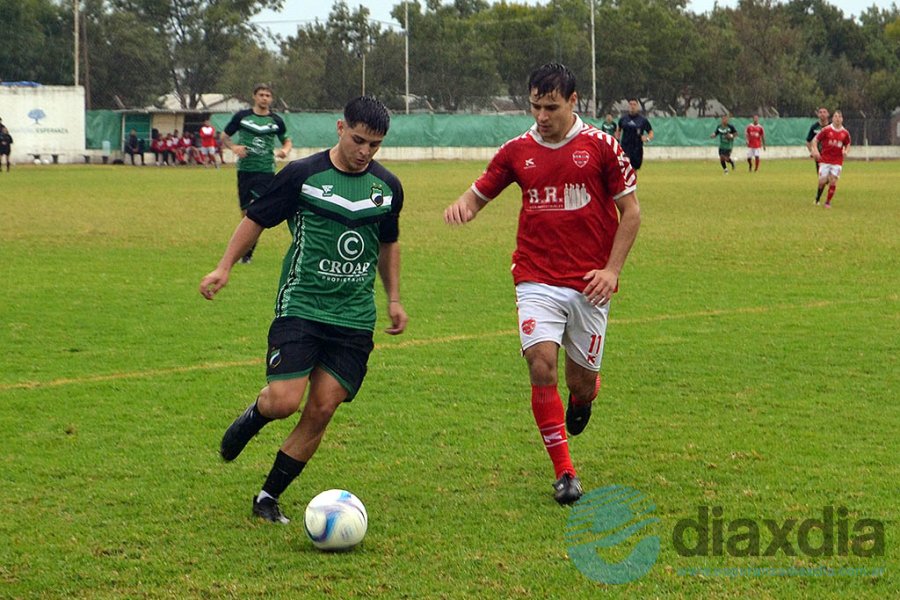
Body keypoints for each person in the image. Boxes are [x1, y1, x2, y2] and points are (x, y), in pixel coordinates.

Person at [199, 96, 407, 524]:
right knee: (284, 401)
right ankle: (256, 413)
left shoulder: (387, 187)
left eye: (375, 145)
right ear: (339, 127)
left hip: (353, 317)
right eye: (358, 139)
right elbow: (255, 219)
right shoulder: (302, 175)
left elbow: (388, 244)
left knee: (323, 407)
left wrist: (393, 299)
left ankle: (267, 496)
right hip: (303, 305)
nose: (365, 151)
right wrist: (224, 267)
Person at [444, 63, 641, 505]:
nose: (541, 116)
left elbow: (631, 213)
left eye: (551, 107)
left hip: (590, 283)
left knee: (580, 383)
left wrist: (612, 271)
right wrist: (465, 205)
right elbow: (480, 193)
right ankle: (565, 472)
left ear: (574, 102)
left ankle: (583, 398)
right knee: (540, 364)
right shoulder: (517, 150)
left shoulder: (602, 147)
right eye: (535, 106)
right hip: (535, 277)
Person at [222, 83, 293, 264]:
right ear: (254, 96)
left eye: (267, 95)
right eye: (261, 94)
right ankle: (246, 251)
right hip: (245, 170)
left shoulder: (276, 120)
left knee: (256, 210)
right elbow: (224, 136)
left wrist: (284, 150)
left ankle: (247, 254)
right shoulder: (242, 117)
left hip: (266, 171)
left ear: (271, 99)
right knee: (246, 213)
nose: (264, 98)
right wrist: (234, 147)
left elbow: (287, 141)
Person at [811, 110, 851, 208]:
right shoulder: (826, 130)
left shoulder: (845, 133)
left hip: (837, 161)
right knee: (822, 181)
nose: (837, 119)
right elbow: (815, 140)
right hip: (825, 159)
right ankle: (817, 198)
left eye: (839, 117)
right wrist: (815, 150)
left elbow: (848, 143)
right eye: (836, 116)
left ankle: (828, 202)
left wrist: (846, 151)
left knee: (833, 181)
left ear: (842, 119)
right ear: (832, 118)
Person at [616, 98, 653, 170]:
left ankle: (633, 181)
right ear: (628, 106)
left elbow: (651, 132)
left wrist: (647, 138)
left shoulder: (642, 120)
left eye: (634, 105)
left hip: (637, 149)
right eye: (630, 104)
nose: (632, 106)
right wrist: (617, 140)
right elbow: (618, 130)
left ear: (637, 106)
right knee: (624, 170)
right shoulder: (623, 119)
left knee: (633, 171)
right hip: (625, 148)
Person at [806, 106, 830, 174]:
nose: (822, 114)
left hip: (830, 154)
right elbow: (808, 142)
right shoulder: (814, 127)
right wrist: (812, 152)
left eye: (824, 112)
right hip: (819, 155)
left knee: (831, 177)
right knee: (821, 177)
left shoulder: (832, 126)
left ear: (828, 114)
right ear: (818, 114)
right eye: (820, 112)